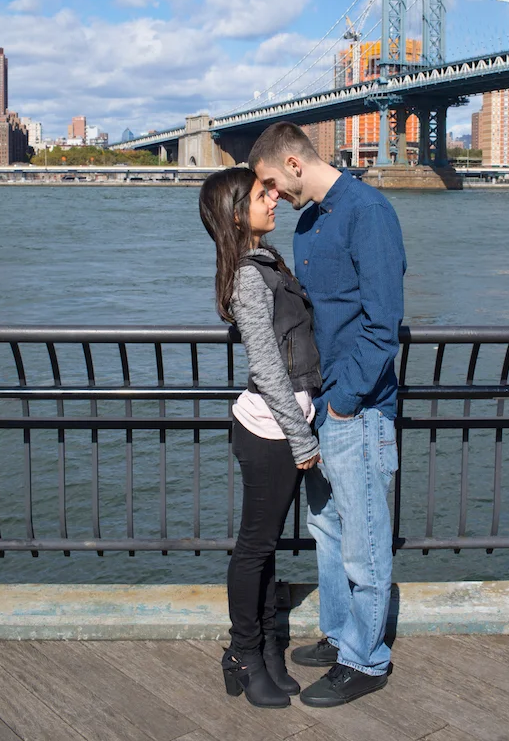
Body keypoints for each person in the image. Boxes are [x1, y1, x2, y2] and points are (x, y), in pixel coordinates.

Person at [249, 122, 406, 708]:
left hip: (356, 408)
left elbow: (383, 322)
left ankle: (366, 660)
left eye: (270, 182)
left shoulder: (369, 212)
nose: (271, 196)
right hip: (321, 405)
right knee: (328, 530)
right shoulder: (310, 221)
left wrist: (343, 402)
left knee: (363, 541)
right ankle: (341, 636)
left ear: (294, 164)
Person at [199, 167, 322, 709]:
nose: (273, 198)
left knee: (265, 546)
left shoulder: (265, 260)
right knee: (253, 549)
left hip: (282, 423)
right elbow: (268, 368)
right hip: (271, 429)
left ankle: (269, 648)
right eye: (260, 195)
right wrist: (301, 438)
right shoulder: (251, 276)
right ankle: (243, 655)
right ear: (235, 215)